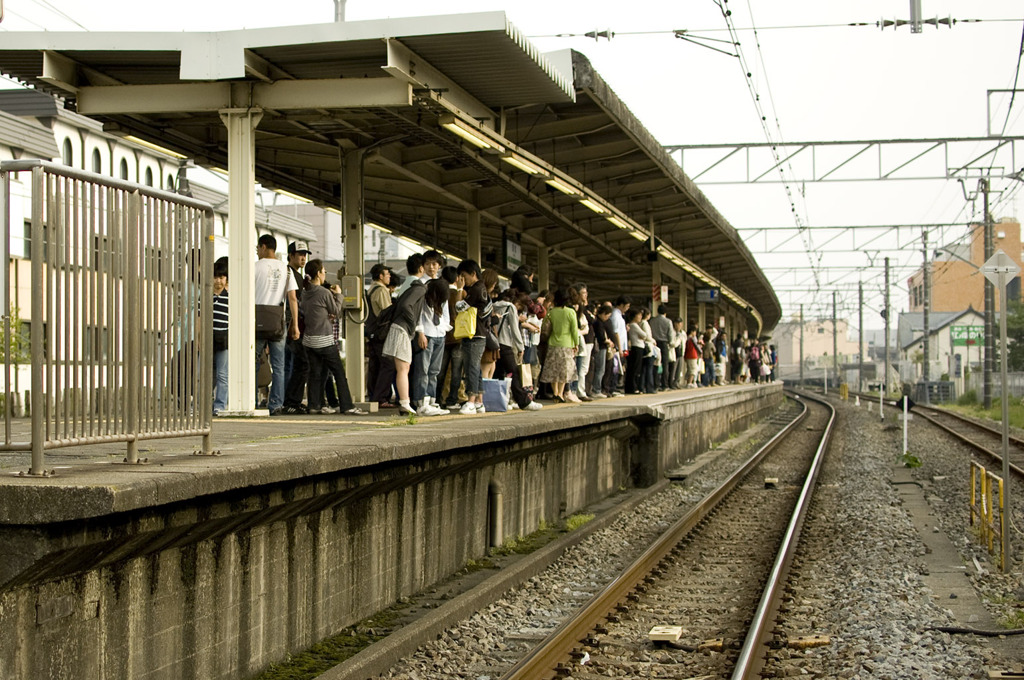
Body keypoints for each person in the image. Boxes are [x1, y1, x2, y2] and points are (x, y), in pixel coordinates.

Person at [299, 259, 366, 415]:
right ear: (317, 274)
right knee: (339, 373)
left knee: (315, 373)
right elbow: (335, 310)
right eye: (323, 272)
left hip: (309, 341)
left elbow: (315, 312)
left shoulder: (305, 292)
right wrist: (339, 295)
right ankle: (347, 406)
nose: (324, 274)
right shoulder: (324, 292)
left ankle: (314, 406)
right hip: (324, 340)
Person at [254, 234, 299, 415]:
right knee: (278, 366)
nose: (257, 251)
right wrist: (295, 325)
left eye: (258, 248)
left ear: (264, 247)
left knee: (253, 363)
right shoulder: (286, 270)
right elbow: (293, 298)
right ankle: (276, 405)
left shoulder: (254, 267)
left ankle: (253, 402)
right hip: (278, 322)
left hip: (256, 322)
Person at [493, 289, 542, 411]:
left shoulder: (494, 305)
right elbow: (515, 329)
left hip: (493, 343)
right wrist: (520, 347)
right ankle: (524, 402)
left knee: (498, 373)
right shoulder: (510, 308)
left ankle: (498, 401)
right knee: (514, 372)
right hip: (504, 343)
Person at [456, 259, 490, 414]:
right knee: (475, 367)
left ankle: (471, 400)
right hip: (480, 333)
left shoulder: (476, 290)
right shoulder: (483, 289)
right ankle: (479, 402)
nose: (463, 279)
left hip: (474, 334)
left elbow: (459, 307)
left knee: (472, 367)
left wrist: (459, 289)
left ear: (473, 274)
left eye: (464, 275)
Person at [282, 240, 312, 414]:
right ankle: (291, 402)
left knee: (289, 365)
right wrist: (294, 325)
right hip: (290, 325)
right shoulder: (288, 273)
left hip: (294, 325)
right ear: (291, 255)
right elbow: (293, 300)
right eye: (300, 254)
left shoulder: (299, 276)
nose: (303, 258)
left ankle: (290, 401)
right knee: (301, 364)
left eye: (305, 254)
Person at [540, 288, 581, 403]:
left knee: (553, 369)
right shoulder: (570, 312)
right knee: (564, 370)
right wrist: (576, 343)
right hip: (567, 344)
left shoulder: (551, 312)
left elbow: (545, 325)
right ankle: (561, 393)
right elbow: (574, 329)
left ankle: (555, 393)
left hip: (553, 343)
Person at [366, 263, 396, 408]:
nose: (389, 276)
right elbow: (386, 312)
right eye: (387, 274)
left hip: (373, 333)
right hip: (382, 334)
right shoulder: (381, 291)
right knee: (388, 364)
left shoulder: (371, 289)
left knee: (375, 366)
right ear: (380, 276)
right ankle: (381, 397)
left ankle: (374, 395)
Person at [436, 266, 466, 409]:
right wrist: (461, 289)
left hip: (443, 335)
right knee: (456, 371)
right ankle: (452, 400)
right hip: (458, 337)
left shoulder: (440, 293)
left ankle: (437, 399)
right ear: (457, 278)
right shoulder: (461, 293)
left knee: (440, 370)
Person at [212, 259, 229, 415]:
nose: (218, 281)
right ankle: (201, 404)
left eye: (222, 277)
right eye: (216, 277)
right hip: (208, 338)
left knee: (222, 374)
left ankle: (220, 405)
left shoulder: (229, 298)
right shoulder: (205, 296)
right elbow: (199, 317)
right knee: (203, 374)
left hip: (224, 339)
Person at [649, 305, 673, 391]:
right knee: (665, 364)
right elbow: (670, 334)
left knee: (655, 364)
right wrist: (670, 343)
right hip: (664, 344)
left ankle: (655, 384)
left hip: (654, 344)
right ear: (665, 312)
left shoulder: (652, 321)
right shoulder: (668, 321)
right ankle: (664, 385)